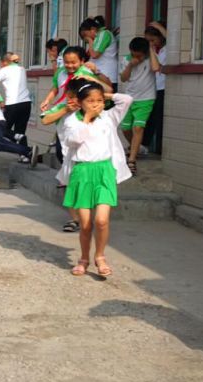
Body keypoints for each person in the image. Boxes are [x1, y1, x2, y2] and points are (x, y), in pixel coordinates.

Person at [58, 82, 133, 278]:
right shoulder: (72, 120)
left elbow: (127, 100)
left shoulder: (108, 117)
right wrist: (88, 118)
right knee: (85, 224)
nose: (95, 104)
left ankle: (100, 256)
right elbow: (73, 141)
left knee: (101, 220)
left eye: (99, 101)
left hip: (104, 171)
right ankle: (84, 258)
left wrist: (104, 95)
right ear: (80, 102)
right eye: (90, 101)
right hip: (82, 172)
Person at [41, 77, 91, 233]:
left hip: (90, 157)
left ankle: (87, 218)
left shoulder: (92, 108)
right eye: (69, 97)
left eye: (75, 97)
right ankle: (75, 219)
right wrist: (65, 110)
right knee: (69, 187)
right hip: (68, 156)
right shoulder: (63, 107)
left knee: (87, 189)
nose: (71, 100)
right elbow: (45, 120)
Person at [118, 37, 160, 175]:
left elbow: (156, 68)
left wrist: (151, 49)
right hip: (129, 98)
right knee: (125, 128)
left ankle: (132, 160)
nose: (136, 58)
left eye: (139, 55)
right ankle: (138, 147)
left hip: (146, 98)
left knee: (138, 127)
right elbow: (123, 78)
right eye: (133, 54)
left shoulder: (150, 59)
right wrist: (130, 64)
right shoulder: (126, 59)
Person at [0, 52, 32, 148]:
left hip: (13, 104)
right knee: (20, 131)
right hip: (26, 103)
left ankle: (16, 138)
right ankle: (25, 154)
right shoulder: (22, 69)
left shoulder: (5, 70)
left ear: (4, 62)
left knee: (2, 129)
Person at [143, 21, 168, 154]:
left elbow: (156, 67)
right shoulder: (153, 51)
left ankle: (158, 149)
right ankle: (144, 145)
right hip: (154, 88)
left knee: (160, 119)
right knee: (150, 118)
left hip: (164, 88)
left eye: (153, 40)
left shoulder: (167, 48)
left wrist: (159, 27)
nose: (151, 43)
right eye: (148, 41)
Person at [80, 16, 119, 88]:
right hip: (98, 75)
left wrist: (90, 41)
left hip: (106, 75)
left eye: (85, 35)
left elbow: (94, 55)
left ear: (93, 29)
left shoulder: (103, 34)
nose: (85, 38)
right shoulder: (98, 37)